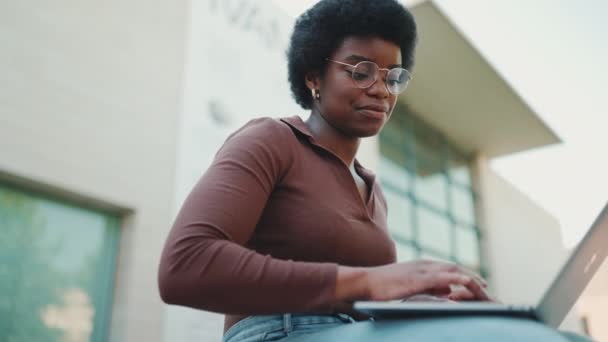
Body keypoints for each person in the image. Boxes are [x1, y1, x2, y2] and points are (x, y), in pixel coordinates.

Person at [158, 0, 593, 341]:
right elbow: (184, 265)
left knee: (550, 335)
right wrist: (370, 282)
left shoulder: (372, 188)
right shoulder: (270, 141)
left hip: (353, 329)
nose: (382, 90)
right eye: (361, 71)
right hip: (278, 332)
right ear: (314, 77)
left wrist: (424, 298)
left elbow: (363, 297)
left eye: (393, 77)